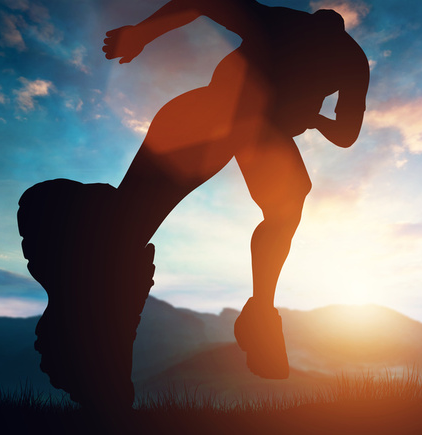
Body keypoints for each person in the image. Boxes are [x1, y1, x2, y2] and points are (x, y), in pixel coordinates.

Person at [18, 0, 368, 411]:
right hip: (210, 116)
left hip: (254, 130)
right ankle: (80, 322)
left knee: (288, 202)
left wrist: (312, 119)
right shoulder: (299, 32)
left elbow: (345, 134)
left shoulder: (345, 58)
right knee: (127, 231)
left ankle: (259, 314)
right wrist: (142, 33)